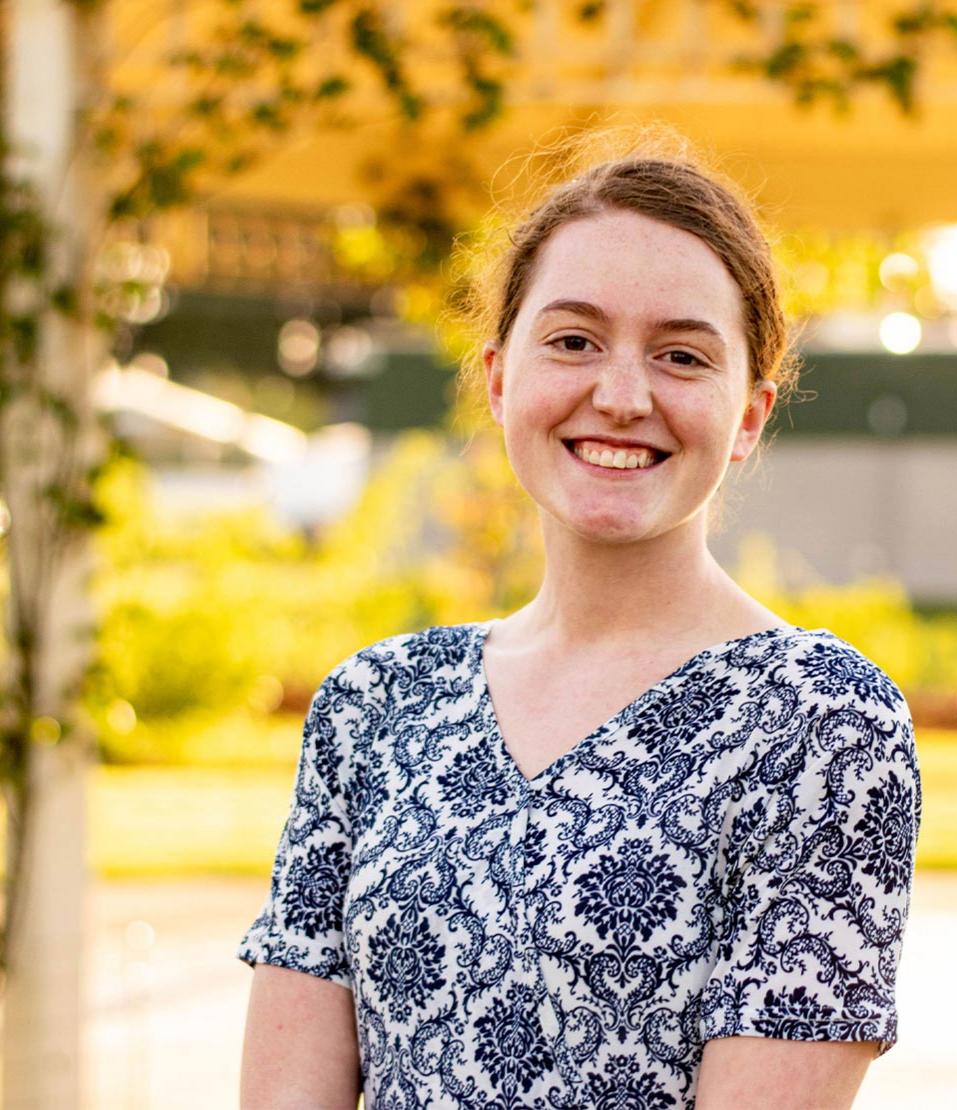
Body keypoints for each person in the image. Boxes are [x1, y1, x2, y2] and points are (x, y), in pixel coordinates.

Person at [238, 135, 921, 1109]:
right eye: (573, 340)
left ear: (748, 416)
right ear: (499, 376)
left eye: (681, 355)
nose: (622, 394)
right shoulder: (374, 705)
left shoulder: (819, 724)